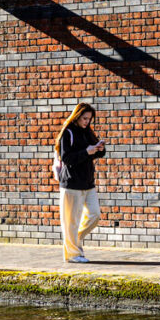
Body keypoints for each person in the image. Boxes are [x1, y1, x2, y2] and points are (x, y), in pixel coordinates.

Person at [54, 102, 106, 263]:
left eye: (89, 119)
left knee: (94, 215)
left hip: (88, 182)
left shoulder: (87, 132)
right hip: (71, 183)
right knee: (71, 221)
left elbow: (97, 154)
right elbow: (67, 158)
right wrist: (86, 152)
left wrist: (99, 149)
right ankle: (73, 254)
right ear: (77, 116)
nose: (87, 122)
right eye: (84, 118)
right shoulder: (68, 133)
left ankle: (73, 242)